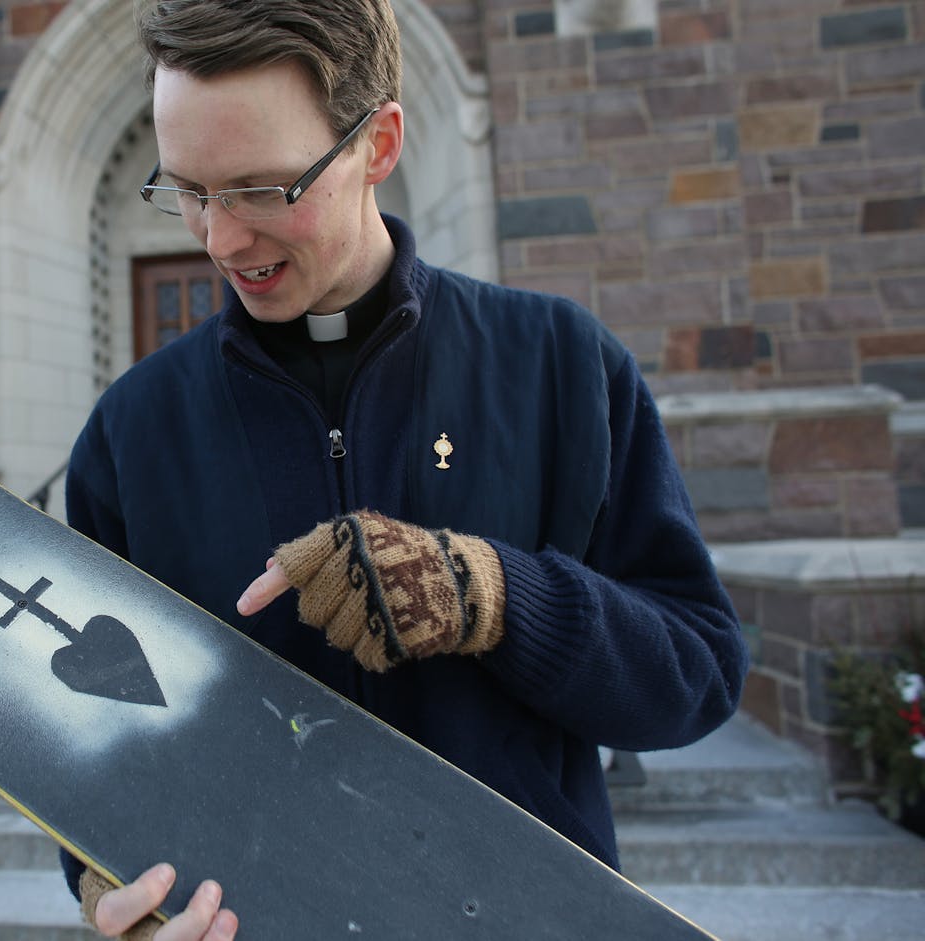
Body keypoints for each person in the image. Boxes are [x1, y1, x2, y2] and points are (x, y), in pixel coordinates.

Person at [61, 1, 749, 938]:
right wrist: (107, 882)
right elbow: (87, 732)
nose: (219, 241)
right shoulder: (127, 432)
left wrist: (495, 595)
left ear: (378, 143)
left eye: (262, 189)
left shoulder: (562, 364)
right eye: (188, 189)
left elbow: (697, 676)